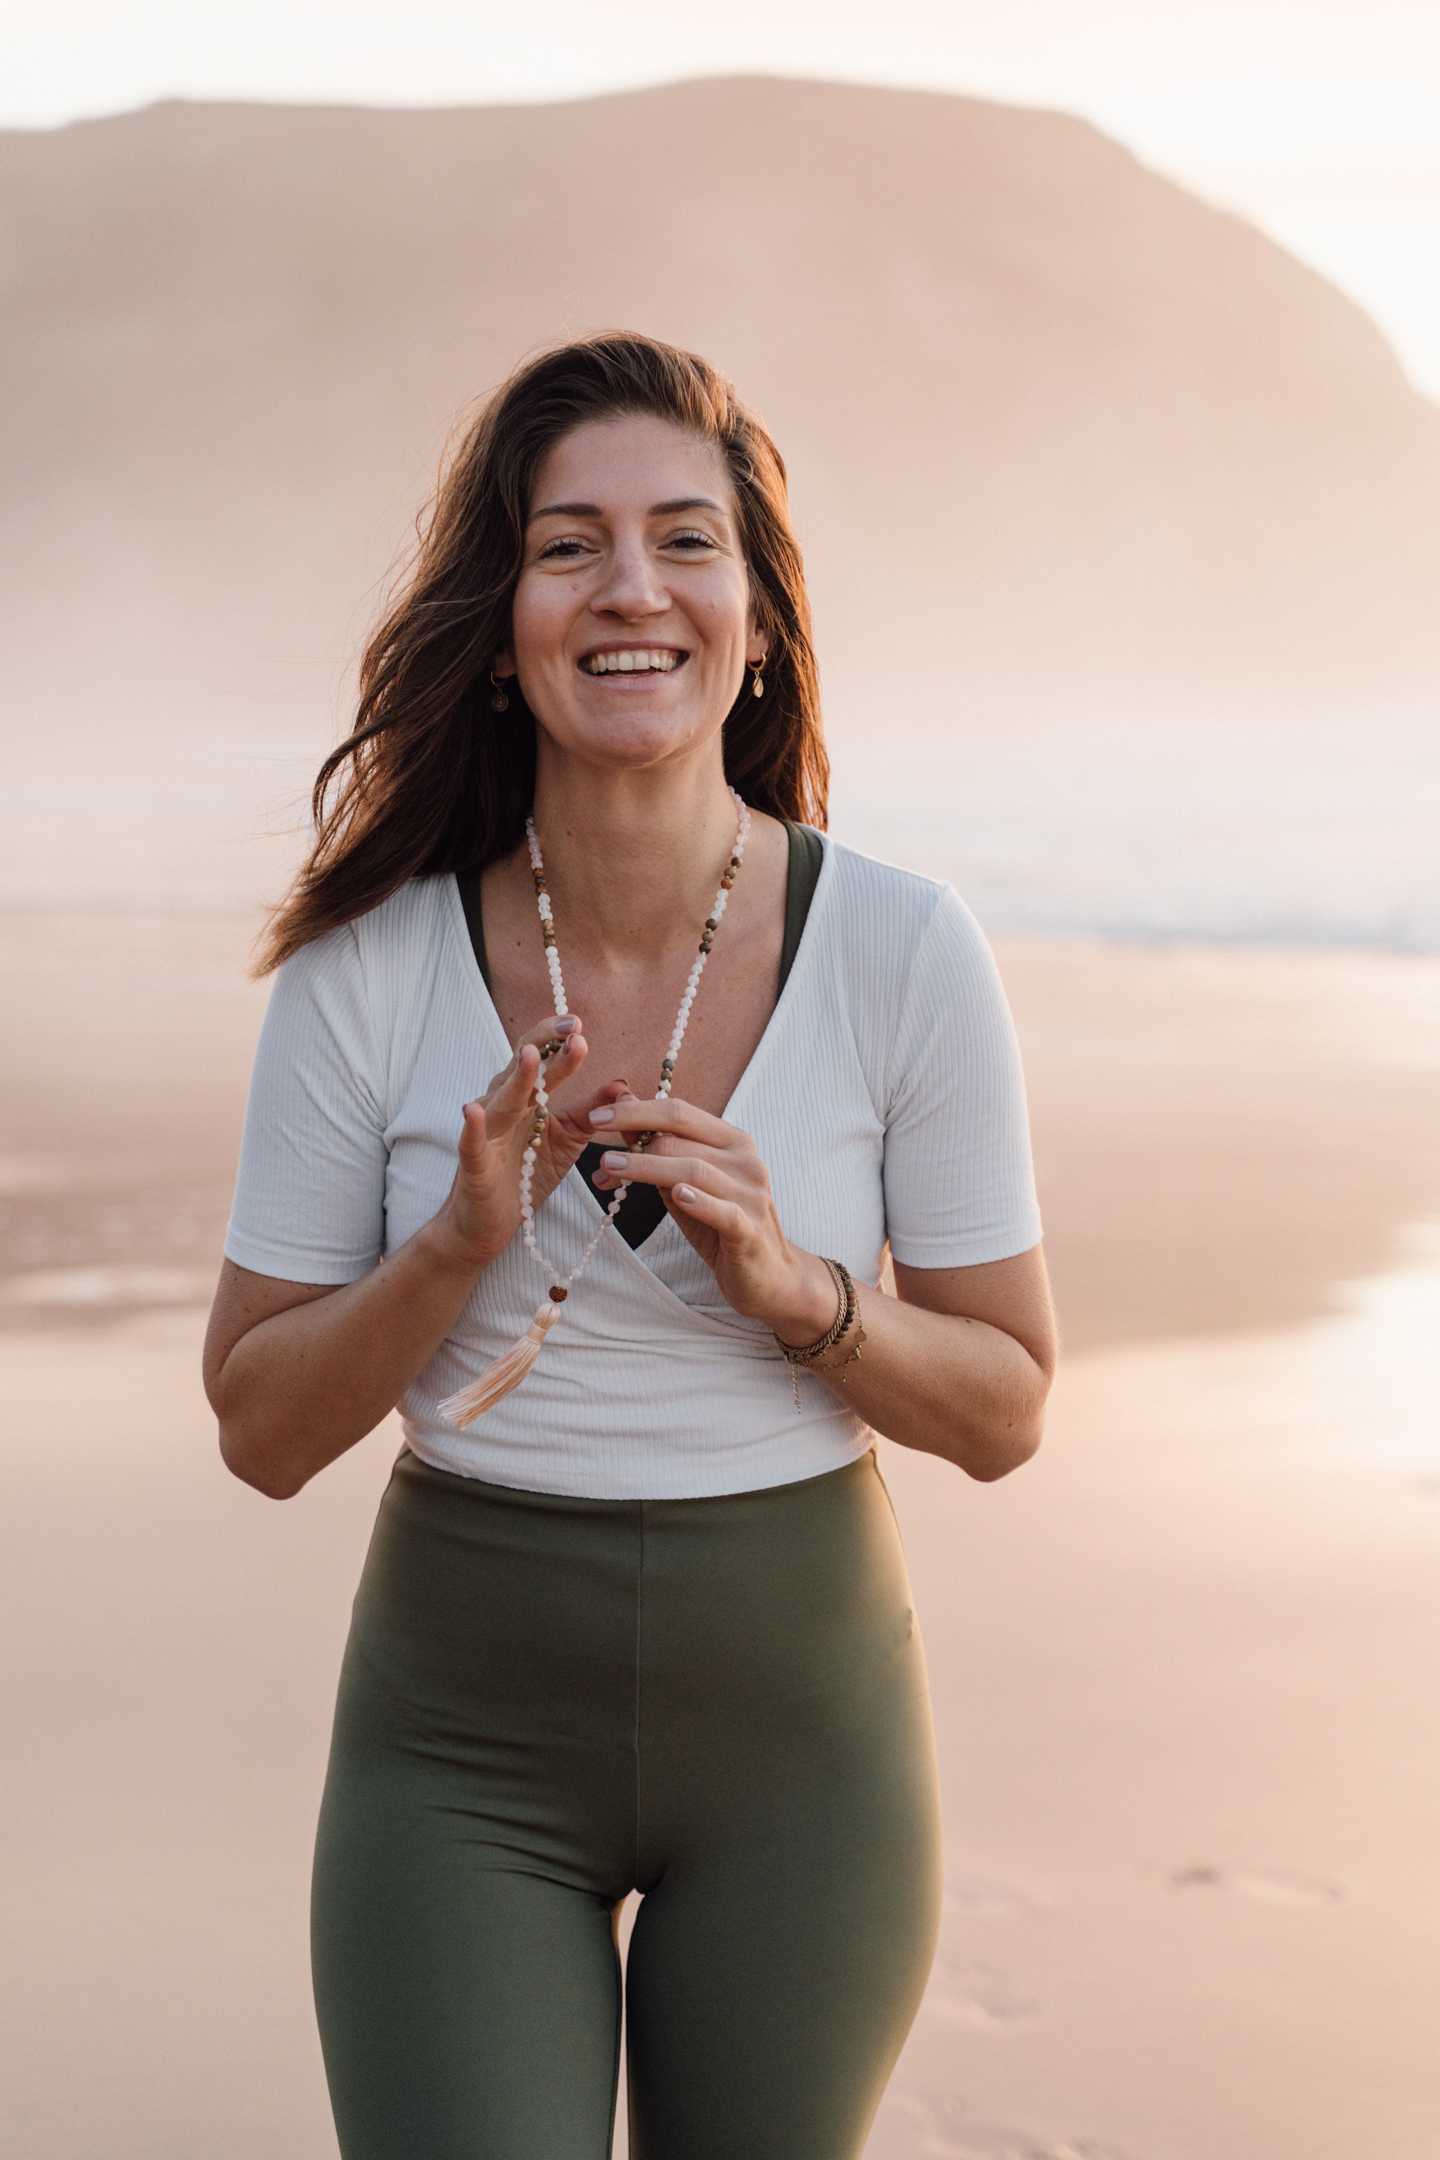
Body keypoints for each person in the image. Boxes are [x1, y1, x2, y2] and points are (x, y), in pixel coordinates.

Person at [205, 331, 1055, 2160]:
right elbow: (261, 1431)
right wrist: (449, 1247)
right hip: (460, 1748)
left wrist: (802, 1296)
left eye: (684, 539)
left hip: (805, 1753)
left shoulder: (906, 952)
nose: (629, 589)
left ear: (752, 617)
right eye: (567, 542)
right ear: (504, 618)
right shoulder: (365, 969)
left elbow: (1004, 1406)